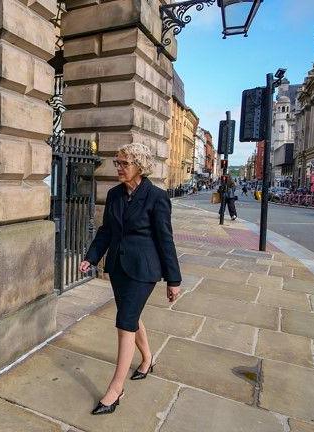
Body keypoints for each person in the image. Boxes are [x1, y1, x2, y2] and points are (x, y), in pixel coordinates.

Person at [79, 143, 182, 416]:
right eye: (117, 162)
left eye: (124, 163)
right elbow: (106, 231)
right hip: (119, 267)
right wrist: (91, 256)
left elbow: (165, 240)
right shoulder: (114, 195)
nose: (119, 168)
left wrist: (174, 280)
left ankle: (115, 389)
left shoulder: (157, 197)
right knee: (132, 316)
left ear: (139, 165)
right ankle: (147, 358)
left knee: (125, 322)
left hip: (144, 270)